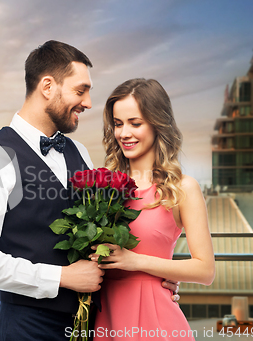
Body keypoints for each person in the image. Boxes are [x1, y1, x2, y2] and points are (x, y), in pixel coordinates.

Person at [0, 42, 179, 341]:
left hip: (88, 323)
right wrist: (61, 277)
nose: (88, 102)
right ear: (48, 86)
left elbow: (100, 236)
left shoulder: (79, 152)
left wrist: (154, 278)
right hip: (26, 327)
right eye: (80, 90)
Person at [91, 78, 215, 340]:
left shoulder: (183, 188)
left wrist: (136, 261)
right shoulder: (103, 187)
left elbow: (205, 270)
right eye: (118, 124)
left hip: (156, 322)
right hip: (104, 317)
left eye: (135, 123)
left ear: (158, 124)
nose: (124, 133)